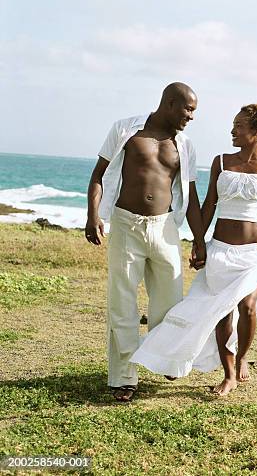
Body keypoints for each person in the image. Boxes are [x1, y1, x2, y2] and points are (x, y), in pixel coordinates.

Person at [131, 101, 257, 396]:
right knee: (221, 312)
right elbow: (208, 205)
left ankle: (241, 358)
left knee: (248, 308)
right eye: (233, 125)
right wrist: (199, 242)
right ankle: (228, 374)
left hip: (255, 254)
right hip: (221, 250)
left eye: (239, 126)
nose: (232, 131)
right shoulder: (221, 162)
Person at [85, 82, 206, 402]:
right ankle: (124, 376)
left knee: (169, 302)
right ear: (169, 103)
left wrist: (198, 239)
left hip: (165, 228)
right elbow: (98, 174)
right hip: (126, 225)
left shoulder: (186, 145)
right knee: (121, 304)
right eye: (188, 109)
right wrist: (92, 214)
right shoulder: (126, 129)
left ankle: (163, 355)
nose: (192, 116)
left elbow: (191, 195)